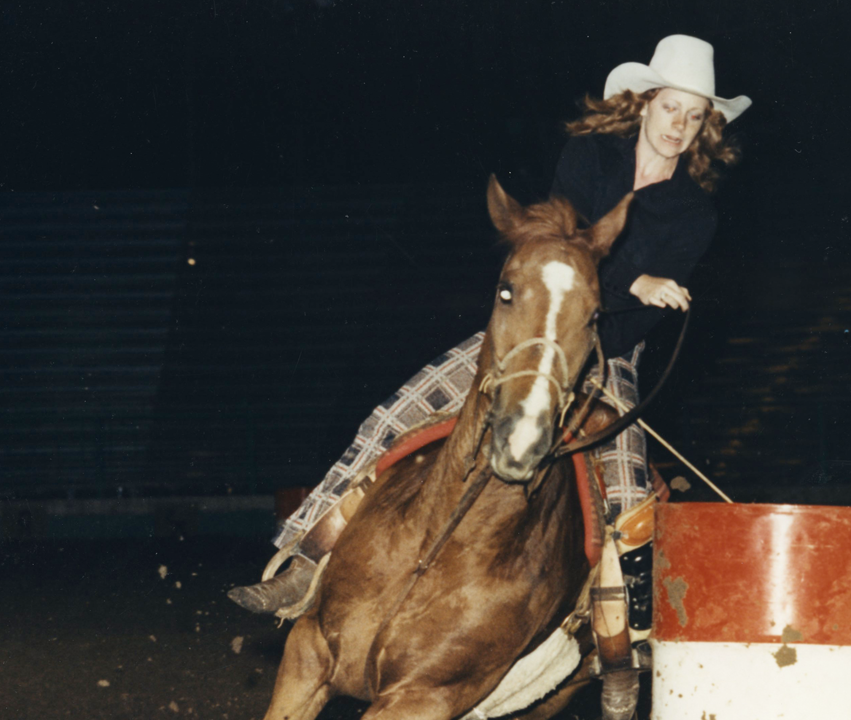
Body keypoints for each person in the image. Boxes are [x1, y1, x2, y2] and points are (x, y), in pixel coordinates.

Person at [228, 34, 750, 615]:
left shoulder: (694, 214)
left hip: (607, 353)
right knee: (392, 417)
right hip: (530, 333)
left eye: (694, 115)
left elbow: (646, 309)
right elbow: (557, 243)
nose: (678, 124)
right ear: (645, 103)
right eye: (671, 107)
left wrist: (639, 293)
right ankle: (302, 558)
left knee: (629, 497)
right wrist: (634, 281)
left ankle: (625, 638)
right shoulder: (590, 156)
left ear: (706, 126)